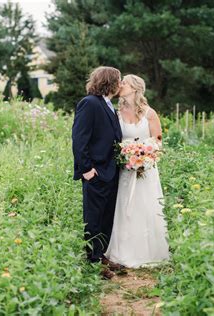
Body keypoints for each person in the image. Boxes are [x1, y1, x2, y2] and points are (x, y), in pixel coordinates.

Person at [104, 74, 170, 268]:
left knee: (146, 206)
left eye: (124, 82)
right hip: (125, 169)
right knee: (126, 208)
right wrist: (127, 153)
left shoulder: (150, 113)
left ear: (134, 88)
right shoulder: (116, 113)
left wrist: (143, 155)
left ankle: (149, 253)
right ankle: (122, 252)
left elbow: (158, 141)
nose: (120, 85)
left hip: (146, 169)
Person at [72, 66, 124, 279]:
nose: (121, 84)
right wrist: (86, 170)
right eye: (119, 80)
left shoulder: (108, 104)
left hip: (111, 172)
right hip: (95, 172)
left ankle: (101, 255)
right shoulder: (90, 103)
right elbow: (79, 139)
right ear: (111, 82)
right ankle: (93, 262)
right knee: (93, 218)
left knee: (106, 217)